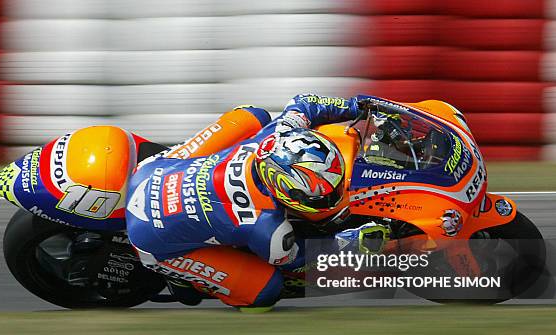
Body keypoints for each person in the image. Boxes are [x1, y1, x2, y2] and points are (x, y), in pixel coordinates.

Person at [125, 94, 389, 311]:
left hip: (153, 170)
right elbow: (296, 260)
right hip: (151, 236)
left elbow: (304, 103)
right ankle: (179, 273)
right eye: (319, 194)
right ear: (284, 191)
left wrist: (357, 107)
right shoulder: (268, 228)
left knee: (254, 115)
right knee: (265, 292)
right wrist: (349, 242)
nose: (329, 198)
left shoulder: (279, 133)